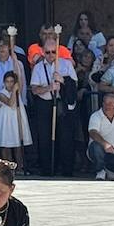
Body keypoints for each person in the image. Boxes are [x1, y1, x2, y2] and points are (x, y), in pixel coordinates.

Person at [28, 34, 78, 177]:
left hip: (62, 105)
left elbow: (73, 85)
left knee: (65, 137)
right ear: (43, 52)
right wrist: (49, 88)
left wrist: (62, 80)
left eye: (53, 52)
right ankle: (48, 168)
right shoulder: (38, 68)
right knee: (45, 137)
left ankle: (67, 169)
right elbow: (35, 89)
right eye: (47, 52)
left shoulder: (66, 64)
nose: (51, 55)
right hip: (45, 104)